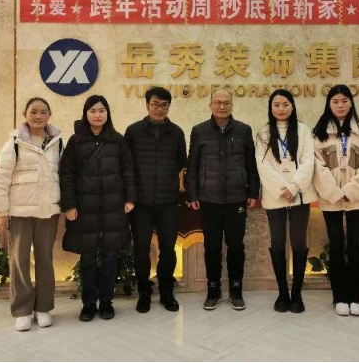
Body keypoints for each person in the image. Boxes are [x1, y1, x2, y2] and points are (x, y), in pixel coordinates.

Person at [60, 95, 136, 322]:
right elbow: (66, 175)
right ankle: (88, 304)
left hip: (114, 207)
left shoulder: (117, 140)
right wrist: (69, 205)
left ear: (107, 113)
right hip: (85, 208)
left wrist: (130, 198)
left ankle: (106, 302)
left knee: (111, 256)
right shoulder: (76, 141)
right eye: (92, 111)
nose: (97, 115)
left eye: (101, 110)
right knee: (88, 257)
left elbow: (128, 171)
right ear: (85, 114)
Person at [0, 97, 62, 332]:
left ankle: (43, 308)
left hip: (48, 211)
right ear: (25, 114)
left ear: (49, 115)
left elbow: (64, 175)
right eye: (33, 112)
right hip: (20, 212)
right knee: (19, 260)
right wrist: (2, 211)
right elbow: (1, 178)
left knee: (45, 260)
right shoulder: (14, 142)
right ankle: (22, 310)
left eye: (43, 112)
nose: (38, 116)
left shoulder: (58, 142)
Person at [186, 89, 260, 311]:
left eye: (226, 102)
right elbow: (192, 166)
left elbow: (251, 165)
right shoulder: (199, 131)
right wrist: (192, 194)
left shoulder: (244, 130)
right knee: (212, 247)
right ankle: (213, 289)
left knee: (236, 246)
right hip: (208, 199)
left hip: (236, 199)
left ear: (232, 105)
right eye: (217, 102)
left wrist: (253, 192)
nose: (221, 106)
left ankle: (236, 290)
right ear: (210, 105)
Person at [313, 85, 359, 317]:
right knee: (336, 246)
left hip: (356, 198)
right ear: (329, 105)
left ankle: (357, 297)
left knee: (355, 244)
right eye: (335, 101)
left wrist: (350, 191)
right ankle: (339, 296)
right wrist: (334, 192)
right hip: (330, 198)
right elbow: (317, 167)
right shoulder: (319, 133)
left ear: (351, 103)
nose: (340, 105)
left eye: (344, 101)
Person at [125, 87, 187, 314]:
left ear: (169, 107)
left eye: (164, 105)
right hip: (140, 203)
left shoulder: (177, 133)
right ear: (147, 105)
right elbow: (127, 165)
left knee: (168, 249)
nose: (159, 109)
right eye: (155, 104)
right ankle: (144, 291)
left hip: (168, 201)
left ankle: (166, 290)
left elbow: (181, 161)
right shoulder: (133, 131)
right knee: (141, 249)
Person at [255, 89, 316, 314]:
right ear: (271, 108)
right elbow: (262, 165)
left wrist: (294, 187)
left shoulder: (303, 130)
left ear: (292, 106)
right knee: (278, 241)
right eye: (276, 105)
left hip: (300, 195)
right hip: (275, 195)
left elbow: (308, 162)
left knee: (299, 242)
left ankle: (297, 293)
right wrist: (283, 189)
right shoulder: (263, 133)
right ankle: (282, 293)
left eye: (285, 104)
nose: (280, 109)